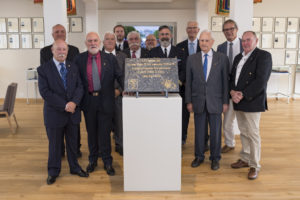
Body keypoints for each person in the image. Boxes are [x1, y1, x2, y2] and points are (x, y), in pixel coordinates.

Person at [37, 40, 88, 185]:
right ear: (52, 51)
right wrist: (65, 105)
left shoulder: (73, 67)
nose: (61, 52)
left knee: (73, 143)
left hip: (72, 113)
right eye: (58, 49)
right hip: (54, 114)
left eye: (64, 49)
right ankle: (53, 171)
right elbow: (45, 92)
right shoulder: (43, 69)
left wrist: (74, 103)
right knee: (55, 145)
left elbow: (80, 87)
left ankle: (75, 167)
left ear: (67, 51)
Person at [75, 32, 123, 176]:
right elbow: (76, 81)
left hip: (106, 100)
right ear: (85, 43)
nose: (93, 43)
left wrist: (127, 89)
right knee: (91, 133)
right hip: (88, 101)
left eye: (95, 40)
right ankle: (93, 160)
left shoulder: (110, 58)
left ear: (100, 42)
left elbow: (120, 76)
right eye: (90, 41)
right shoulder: (79, 59)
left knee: (105, 132)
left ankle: (108, 161)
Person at [230, 31, 272, 180]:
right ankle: (245, 158)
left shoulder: (263, 56)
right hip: (238, 101)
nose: (245, 43)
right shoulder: (238, 57)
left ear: (256, 40)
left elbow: (261, 81)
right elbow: (232, 78)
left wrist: (242, 95)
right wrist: (232, 92)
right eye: (244, 41)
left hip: (252, 101)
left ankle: (254, 165)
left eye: (249, 40)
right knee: (243, 132)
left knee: (253, 134)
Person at [185, 30, 229, 171]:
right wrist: (189, 101)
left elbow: (225, 82)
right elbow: (189, 82)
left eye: (206, 40)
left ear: (212, 42)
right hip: (198, 101)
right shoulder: (192, 59)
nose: (203, 43)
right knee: (199, 132)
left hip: (216, 102)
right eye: (201, 41)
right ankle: (199, 156)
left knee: (216, 132)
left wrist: (225, 102)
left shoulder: (222, 58)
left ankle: (215, 158)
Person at [40, 24, 82, 158]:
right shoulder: (45, 51)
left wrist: (73, 102)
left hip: (72, 101)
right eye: (56, 32)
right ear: (52, 35)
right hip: (55, 101)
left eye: (62, 31)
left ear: (66, 33)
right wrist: (63, 103)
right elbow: (46, 79)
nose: (59, 33)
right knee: (55, 138)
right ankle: (59, 153)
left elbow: (77, 78)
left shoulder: (75, 50)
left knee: (74, 134)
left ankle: (75, 151)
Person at [176, 21, 209, 148]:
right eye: (189, 28)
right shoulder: (179, 47)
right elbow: (177, 67)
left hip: (201, 89)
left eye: (194, 28)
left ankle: (204, 141)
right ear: (186, 30)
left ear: (198, 29)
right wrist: (182, 81)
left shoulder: (205, 45)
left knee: (202, 116)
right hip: (184, 87)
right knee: (183, 116)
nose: (192, 30)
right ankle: (182, 139)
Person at [217, 19, 243, 153]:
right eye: (226, 30)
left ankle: (247, 150)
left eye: (231, 29)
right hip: (227, 90)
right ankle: (229, 143)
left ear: (236, 29)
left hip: (243, 91)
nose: (229, 32)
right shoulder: (220, 48)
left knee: (244, 123)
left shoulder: (245, 45)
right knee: (227, 121)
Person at [102, 31, 128, 156]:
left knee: (119, 122)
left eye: (112, 39)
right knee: (104, 124)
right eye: (107, 39)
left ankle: (120, 144)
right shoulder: (98, 56)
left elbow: (126, 75)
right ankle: (104, 148)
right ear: (103, 42)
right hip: (103, 97)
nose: (110, 41)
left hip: (119, 95)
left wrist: (119, 90)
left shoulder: (123, 56)